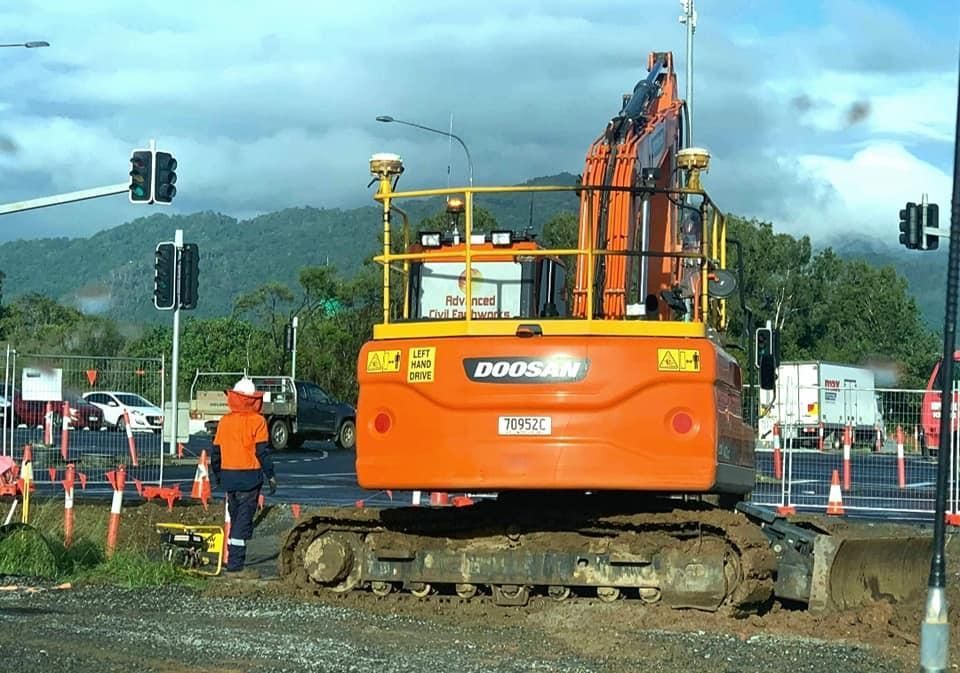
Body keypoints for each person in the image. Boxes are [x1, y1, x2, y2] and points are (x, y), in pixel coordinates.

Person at [210, 376, 277, 578]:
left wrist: (219, 476)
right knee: (243, 521)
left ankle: (234, 560)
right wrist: (271, 476)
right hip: (250, 478)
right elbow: (262, 452)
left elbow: (215, 454)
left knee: (235, 515)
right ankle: (235, 565)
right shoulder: (258, 421)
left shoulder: (225, 422)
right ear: (254, 399)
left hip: (229, 478)